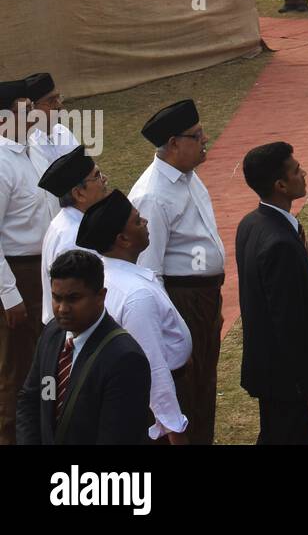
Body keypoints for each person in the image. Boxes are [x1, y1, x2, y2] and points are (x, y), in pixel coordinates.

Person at [127, 100, 223, 445]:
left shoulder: (187, 177)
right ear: (173, 144)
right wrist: (169, 327)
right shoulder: (153, 194)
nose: (205, 139)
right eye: (196, 136)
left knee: (204, 386)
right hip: (182, 303)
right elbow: (150, 272)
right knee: (185, 390)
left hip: (205, 298)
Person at [77, 189, 193, 443]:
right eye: (138, 220)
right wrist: (174, 430)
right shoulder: (136, 295)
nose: (146, 222)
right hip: (153, 409)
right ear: (123, 239)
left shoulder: (111, 275)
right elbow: (153, 366)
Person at [235, 142, 308, 445]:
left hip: (271, 375)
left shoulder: (250, 224)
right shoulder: (280, 244)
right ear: (280, 185)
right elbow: (291, 324)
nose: (303, 172)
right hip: (289, 384)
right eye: (295, 170)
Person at [16, 250, 152, 445]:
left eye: (73, 299)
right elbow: (30, 400)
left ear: (101, 296)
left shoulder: (125, 359)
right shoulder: (52, 334)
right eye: (57, 298)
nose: (62, 308)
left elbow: (116, 437)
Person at [0, 79, 56, 444]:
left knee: (46, 362)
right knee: (16, 371)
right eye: (22, 107)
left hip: (46, 270)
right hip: (18, 274)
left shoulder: (33, 147)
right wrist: (9, 294)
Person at [38, 145, 108, 324]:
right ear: (79, 193)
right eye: (97, 176)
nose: (104, 180)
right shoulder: (73, 238)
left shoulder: (68, 224)